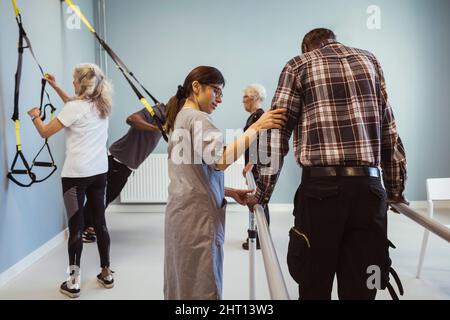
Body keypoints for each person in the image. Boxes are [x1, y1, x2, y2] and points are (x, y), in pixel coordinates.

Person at [247, 28, 408, 300]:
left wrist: (261, 194)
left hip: (321, 192)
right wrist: (394, 190)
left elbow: (276, 133)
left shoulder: (298, 65)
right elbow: (389, 130)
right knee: (363, 287)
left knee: (313, 283)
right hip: (369, 191)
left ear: (306, 48)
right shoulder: (371, 61)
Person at [164, 66, 287, 300]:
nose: (220, 99)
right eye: (216, 91)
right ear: (196, 87)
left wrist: (226, 191)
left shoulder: (181, 116)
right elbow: (220, 160)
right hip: (197, 218)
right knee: (202, 286)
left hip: (181, 214)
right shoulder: (198, 118)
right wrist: (257, 127)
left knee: (182, 283)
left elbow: (192, 172)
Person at [28, 63, 114, 298]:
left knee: (75, 228)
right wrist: (55, 87)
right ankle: (106, 273)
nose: (72, 84)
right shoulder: (101, 104)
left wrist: (35, 117)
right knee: (100, 223)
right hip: (99, 173)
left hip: (75, 176)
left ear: (81, 84)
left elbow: (45, 131)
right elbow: (73, 107)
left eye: (74, 81)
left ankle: (74, 281)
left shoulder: (76, 107)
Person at [81, 103, 166, 243]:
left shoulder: (166, 118)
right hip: (118, 160)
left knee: (107, 196)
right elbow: (131, 119)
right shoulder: (155, 112)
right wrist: (156, 128)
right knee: (103, 196)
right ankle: (84, 227)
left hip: (126, 164)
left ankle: (89, 225)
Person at [241, 83, 270, 250]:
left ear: (255, 98)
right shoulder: (253, 117)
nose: (243, 101)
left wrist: (250, 164)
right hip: (255, 167)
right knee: (259, 201)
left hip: (258, 167)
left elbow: (259, 142)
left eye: (245, 97)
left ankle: (259, 238)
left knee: (259, 201)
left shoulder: (259, 116)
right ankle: (258, 236)